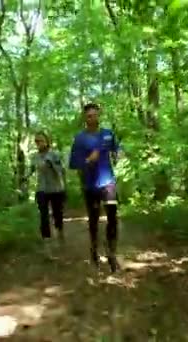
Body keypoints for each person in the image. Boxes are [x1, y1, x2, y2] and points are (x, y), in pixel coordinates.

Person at [68, 103, 122, 272]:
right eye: (89, 116)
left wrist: (119, 153)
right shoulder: (80, 138)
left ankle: (111, 253)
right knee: (93, 219)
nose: (92, 118)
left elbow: (117, 148)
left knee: (112, 216)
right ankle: (94, 250)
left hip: (108, 182)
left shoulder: (108, 134)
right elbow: (73, 163)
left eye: (95, 115)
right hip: (90, 185)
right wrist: (87, 160)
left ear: (99, 115)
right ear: (85, 118)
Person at [28, 131, 67, 257]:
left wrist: (52, 165)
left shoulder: (54, 154)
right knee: (43, 216)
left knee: (57, 215)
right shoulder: (34, 157)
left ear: (47, 141)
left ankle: (60, 232)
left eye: (41, 140)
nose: (39, 143)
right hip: (42, 190)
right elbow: (32, 169)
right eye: (36, 141)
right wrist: (24, 177)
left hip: (56, 189)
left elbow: (62, 170)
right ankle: (47, 245)